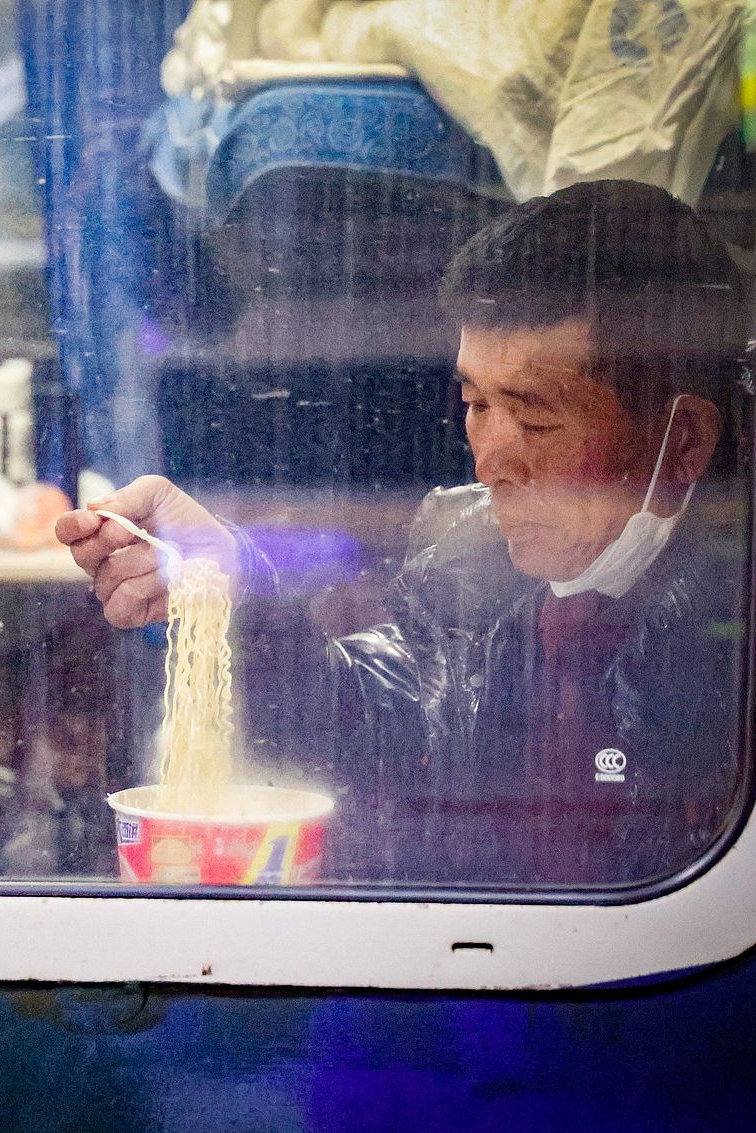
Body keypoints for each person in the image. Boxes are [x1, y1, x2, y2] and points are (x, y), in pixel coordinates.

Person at [57, 180, 751, 886]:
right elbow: (377, 723)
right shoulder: (465, 556)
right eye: (475, 403)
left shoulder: (732, 634)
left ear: (685, 440)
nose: (490, 462)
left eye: (537, 421)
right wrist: (230, 583)